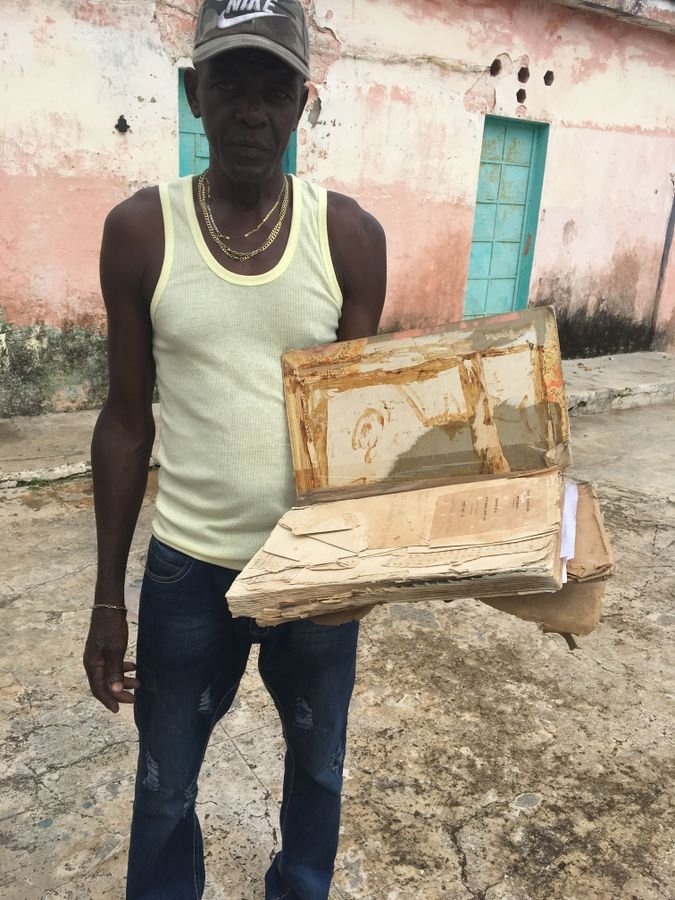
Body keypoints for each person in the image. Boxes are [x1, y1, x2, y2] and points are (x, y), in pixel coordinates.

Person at [82, 1, 386, 898]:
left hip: (313, 571)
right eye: (228, 87)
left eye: (272, 91)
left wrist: (366, 566)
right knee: (165, 788)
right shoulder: (141, 232)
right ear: (193, 93)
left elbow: (363, 432)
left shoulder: (350, 238)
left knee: (319, 772)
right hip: (189, 573)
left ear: (303, 103)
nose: (250, 113)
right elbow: (126, 420)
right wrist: (108, 599)